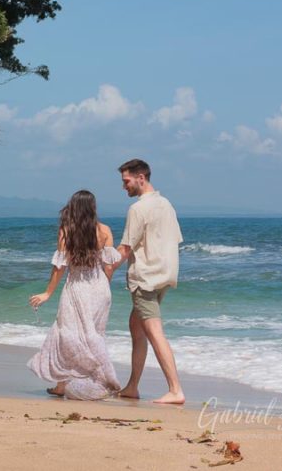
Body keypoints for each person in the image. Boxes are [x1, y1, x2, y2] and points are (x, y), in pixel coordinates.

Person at [27, 190, 122, 400]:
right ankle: (73, 385)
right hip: (100, 288)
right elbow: (109, 266)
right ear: (92, 208)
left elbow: (60, 267)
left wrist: (48, 293)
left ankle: (71, 384)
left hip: (77, 288)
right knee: (94, 335)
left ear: (73, 207)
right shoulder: (104, 230)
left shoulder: (66, 232)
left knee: (65, 333)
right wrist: (104, 290)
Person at [109, 159, 185, 404]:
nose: (124, 187)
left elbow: (125, 248)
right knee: (136, 326)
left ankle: (175, 390)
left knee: (153, 332)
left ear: (140, 177)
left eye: (126, 181)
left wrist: (105, 272)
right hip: (165, 275)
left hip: (146, 278)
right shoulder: (166, 204)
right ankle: (132, 386)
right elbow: (174, 240)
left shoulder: (138, 209)